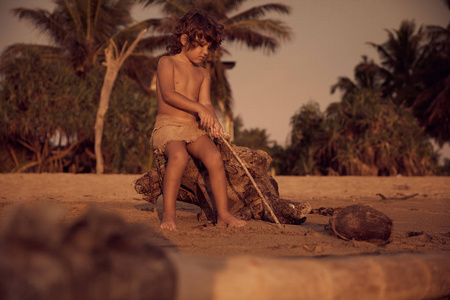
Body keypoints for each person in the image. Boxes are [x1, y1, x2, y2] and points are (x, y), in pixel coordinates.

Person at [151, 9, 246, 230]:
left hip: (192, 128)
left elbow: (206, 104)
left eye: (208, 47)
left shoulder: (203, 74)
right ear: (184, 40)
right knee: (179, 156)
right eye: (201, 45)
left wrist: (213, 120)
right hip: (168, 126)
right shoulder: (167, 63)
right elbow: (169, 94)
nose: (205, 51)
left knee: (214, 157)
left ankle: (223, 215)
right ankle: (169, 216)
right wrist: (199, 109)